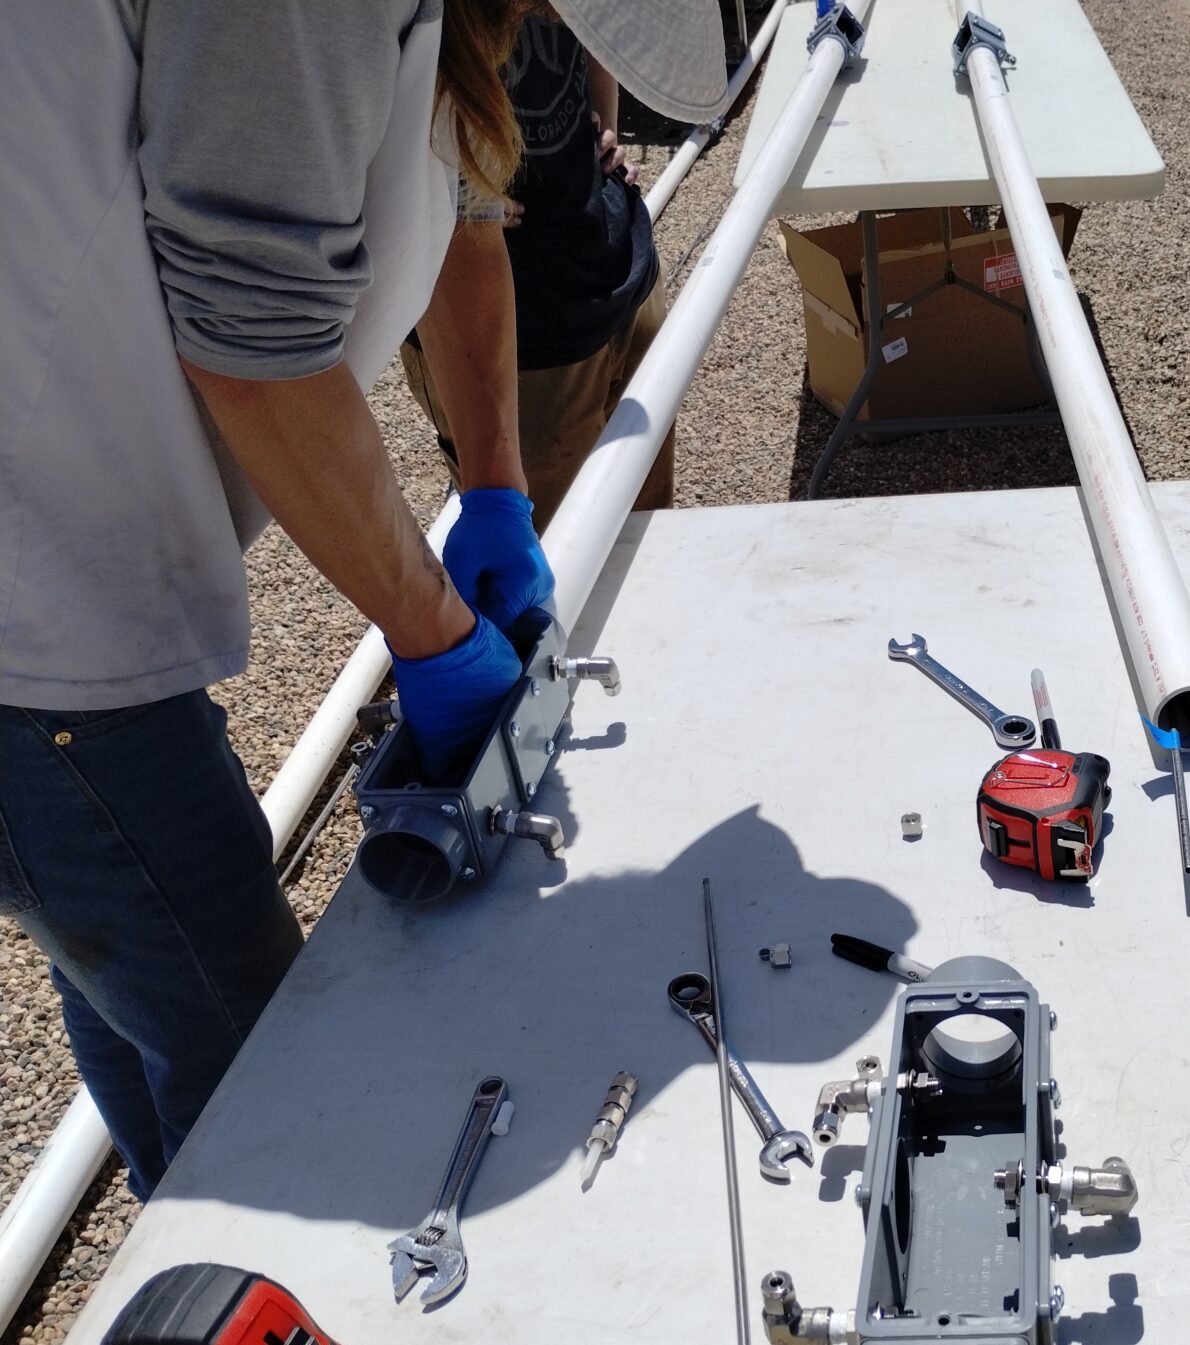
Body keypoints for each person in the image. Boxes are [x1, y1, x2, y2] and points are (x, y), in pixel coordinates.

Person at [0, 0, 725, 1202]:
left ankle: (177, 1252)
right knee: (259, 1071)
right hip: (37, 601)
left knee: (132, 990)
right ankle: (229, 1330)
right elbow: (253, 343)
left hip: (69, 548)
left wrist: (495, 489)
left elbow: (463, 204)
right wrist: (435, 632)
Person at [403, 6, 675, 532]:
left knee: (647, 541)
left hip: (618, 270)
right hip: (515, 336)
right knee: (549, 562)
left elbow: (598, 23)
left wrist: (606, 126)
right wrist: (448, 198)